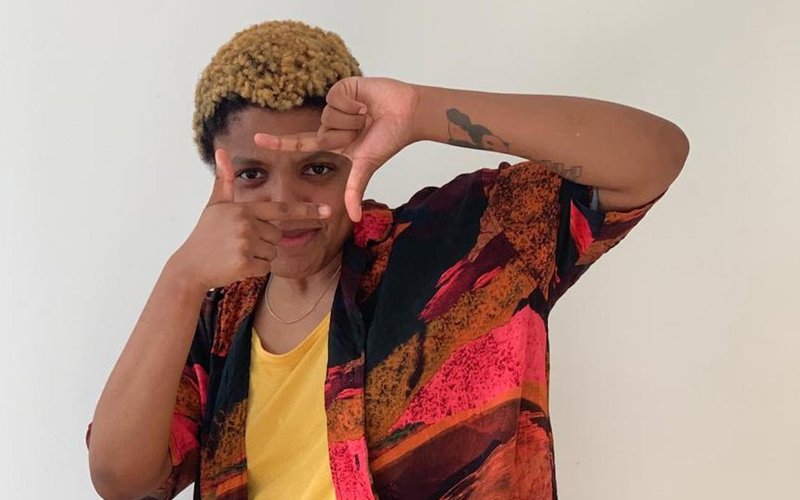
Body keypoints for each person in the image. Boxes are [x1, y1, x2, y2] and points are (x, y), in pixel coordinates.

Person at [85, 19, 689, 500]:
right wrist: (181, 277)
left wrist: (423, 112)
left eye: (316, 168)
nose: (285, 202)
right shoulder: (215, 321)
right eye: (252, 174)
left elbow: (652, 159)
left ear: (358, 155)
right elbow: (122, 480)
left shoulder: (473, 242)